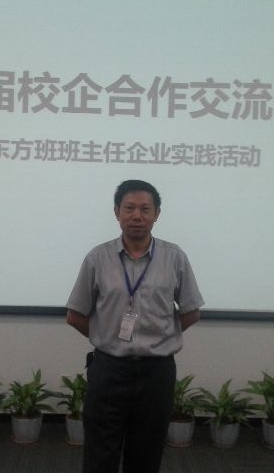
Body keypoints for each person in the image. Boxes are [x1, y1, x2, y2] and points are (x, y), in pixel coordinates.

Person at [66, 179, 204, 473]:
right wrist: (107, 338)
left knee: (146, 454)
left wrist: (161, 335)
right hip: (109, 370)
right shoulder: (98, 258)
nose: (137, 216)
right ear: (117, 212)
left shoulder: (174, 257)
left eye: (145, 209)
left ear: (157, 214)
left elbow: (191, 311)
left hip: (157, 373)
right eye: (129, 208)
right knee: (100, 454)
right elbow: (75, 315)